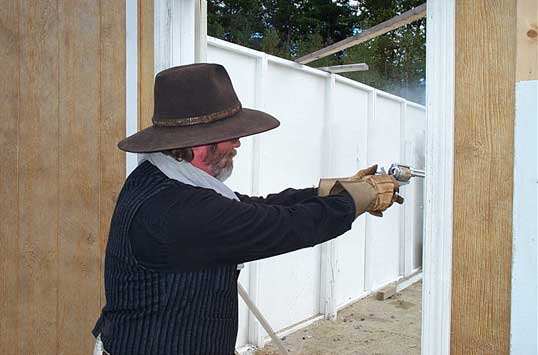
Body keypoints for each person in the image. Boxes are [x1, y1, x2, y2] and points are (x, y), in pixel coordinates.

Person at [92, 63, 402, 355]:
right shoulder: (179, 211)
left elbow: (252, 207)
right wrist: (356, 199)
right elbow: (282, 226)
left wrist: (330, 192)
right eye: (230, 133)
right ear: (200, 142)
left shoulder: (163, 176)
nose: (238, 141)